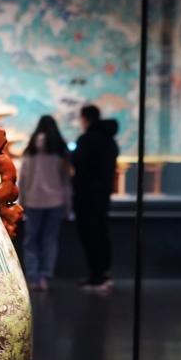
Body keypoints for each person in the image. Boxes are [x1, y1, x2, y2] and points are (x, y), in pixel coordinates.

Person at [18, 115, 72, 292]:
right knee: (49, 240)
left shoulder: (30, 150)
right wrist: (68, 206)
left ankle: (32, 276)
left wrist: (22, 201)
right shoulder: (60, 151)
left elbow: (23, 178)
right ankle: (44, 276)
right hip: (56, 201)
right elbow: (66, 181)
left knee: (31, 240)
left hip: (33, 201)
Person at [71, 104, 119, 292]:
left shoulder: (87, 139)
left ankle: (96, 276)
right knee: (101, 233)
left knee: (90, 235)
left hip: (86, 195)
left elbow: (77, 161)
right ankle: (103, 274)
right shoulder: (109, 140)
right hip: (102, 194)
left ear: (85, 119)